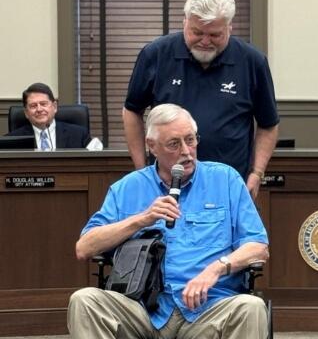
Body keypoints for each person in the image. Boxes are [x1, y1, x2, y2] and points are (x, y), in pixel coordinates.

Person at [69, 104, 269, 338]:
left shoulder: (225, 180)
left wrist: (216, 269)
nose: (186, 151)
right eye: (174, 144)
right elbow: (84, 248)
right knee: (84, 301)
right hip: (143, 309)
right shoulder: (127, 188)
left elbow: (258, 247)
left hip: (209, 308)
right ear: (151, 146)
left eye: (191, 140)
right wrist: (141, 219)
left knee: (251, 307)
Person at [124, 0, 280, 198]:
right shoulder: (156, 54)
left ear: (229, 27)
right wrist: (142, 170)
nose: (205, 41)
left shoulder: (252, 61)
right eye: (197, 32)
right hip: (166, 184)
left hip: (229, 187)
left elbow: (268, 124)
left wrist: (257, 173)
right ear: (184, 21)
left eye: (215, 35)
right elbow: (132, 110)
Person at [5, 82, 91, 150]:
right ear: (26, 113)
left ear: (54, 107)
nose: (39, 109)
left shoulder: (79, 135)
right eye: (33, 106)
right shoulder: (11, 140)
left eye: (43, 104)